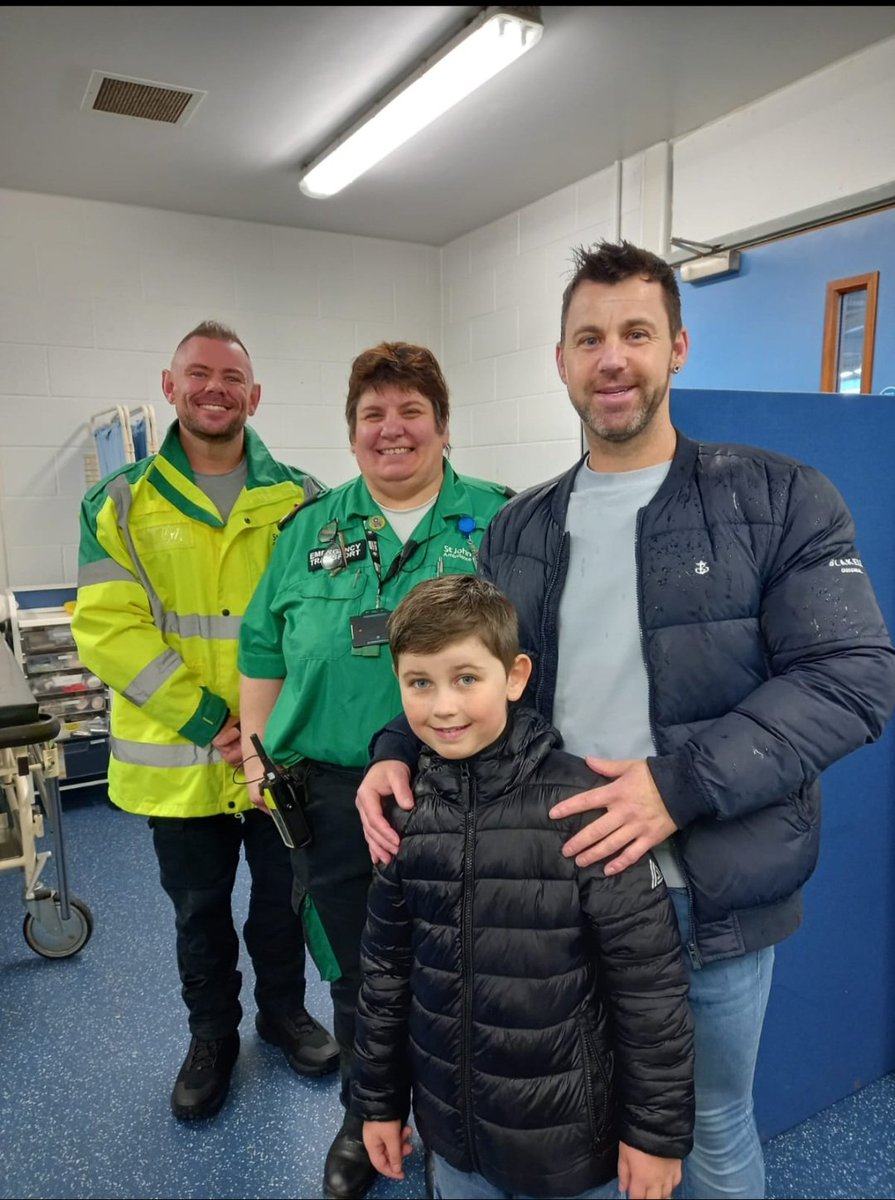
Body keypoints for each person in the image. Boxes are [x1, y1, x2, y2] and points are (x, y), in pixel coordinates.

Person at [355, 242, 895, 1199]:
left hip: (706, 893)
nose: (613, 358)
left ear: (677, 347)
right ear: (560, 361)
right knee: (581, 1132)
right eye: (589, 337)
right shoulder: (520, 527)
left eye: (636, 333)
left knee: (712, 1126)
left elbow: (852, 678)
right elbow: (474, 670)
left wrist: (673, 787)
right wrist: (395, 750)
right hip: (550, 893)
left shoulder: (776, 498)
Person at [237, 341, 513, 1199]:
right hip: (330, 794)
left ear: (441, 424)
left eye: (410, 413)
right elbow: (258, 647)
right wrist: (255, 750)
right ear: (351, 430)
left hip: (469, 786)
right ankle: (367, 1117)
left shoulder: (502, 521)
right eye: (372, 415)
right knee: (361, 969)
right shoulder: (304, 532)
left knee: (475, 962)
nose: (390, 431)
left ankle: (464, 1115)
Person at [352, 573, 695, 1200]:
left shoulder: (586, 811)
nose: (444, 706)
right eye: (419, 683)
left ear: (514, 677)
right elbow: (385, 973)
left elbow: (650, 992)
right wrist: (375, 1103)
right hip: (454, 1142)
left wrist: (655, 1136)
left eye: (466, 679)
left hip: (570, 1148)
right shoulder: (405, 814)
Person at [71, 320, 339, 1123]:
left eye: (230, 377)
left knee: (282, 902)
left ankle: (284, 1016)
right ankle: (211, 1038)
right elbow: (108, 629)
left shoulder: (304, 499)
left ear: (253, 396)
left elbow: (319, 623)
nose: (214, 388)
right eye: (198, 374)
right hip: (178, 759)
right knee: (198, 910)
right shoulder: (118, 502)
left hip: (279, 757)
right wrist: (212, 720)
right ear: (170, 386)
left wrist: (268, 728)